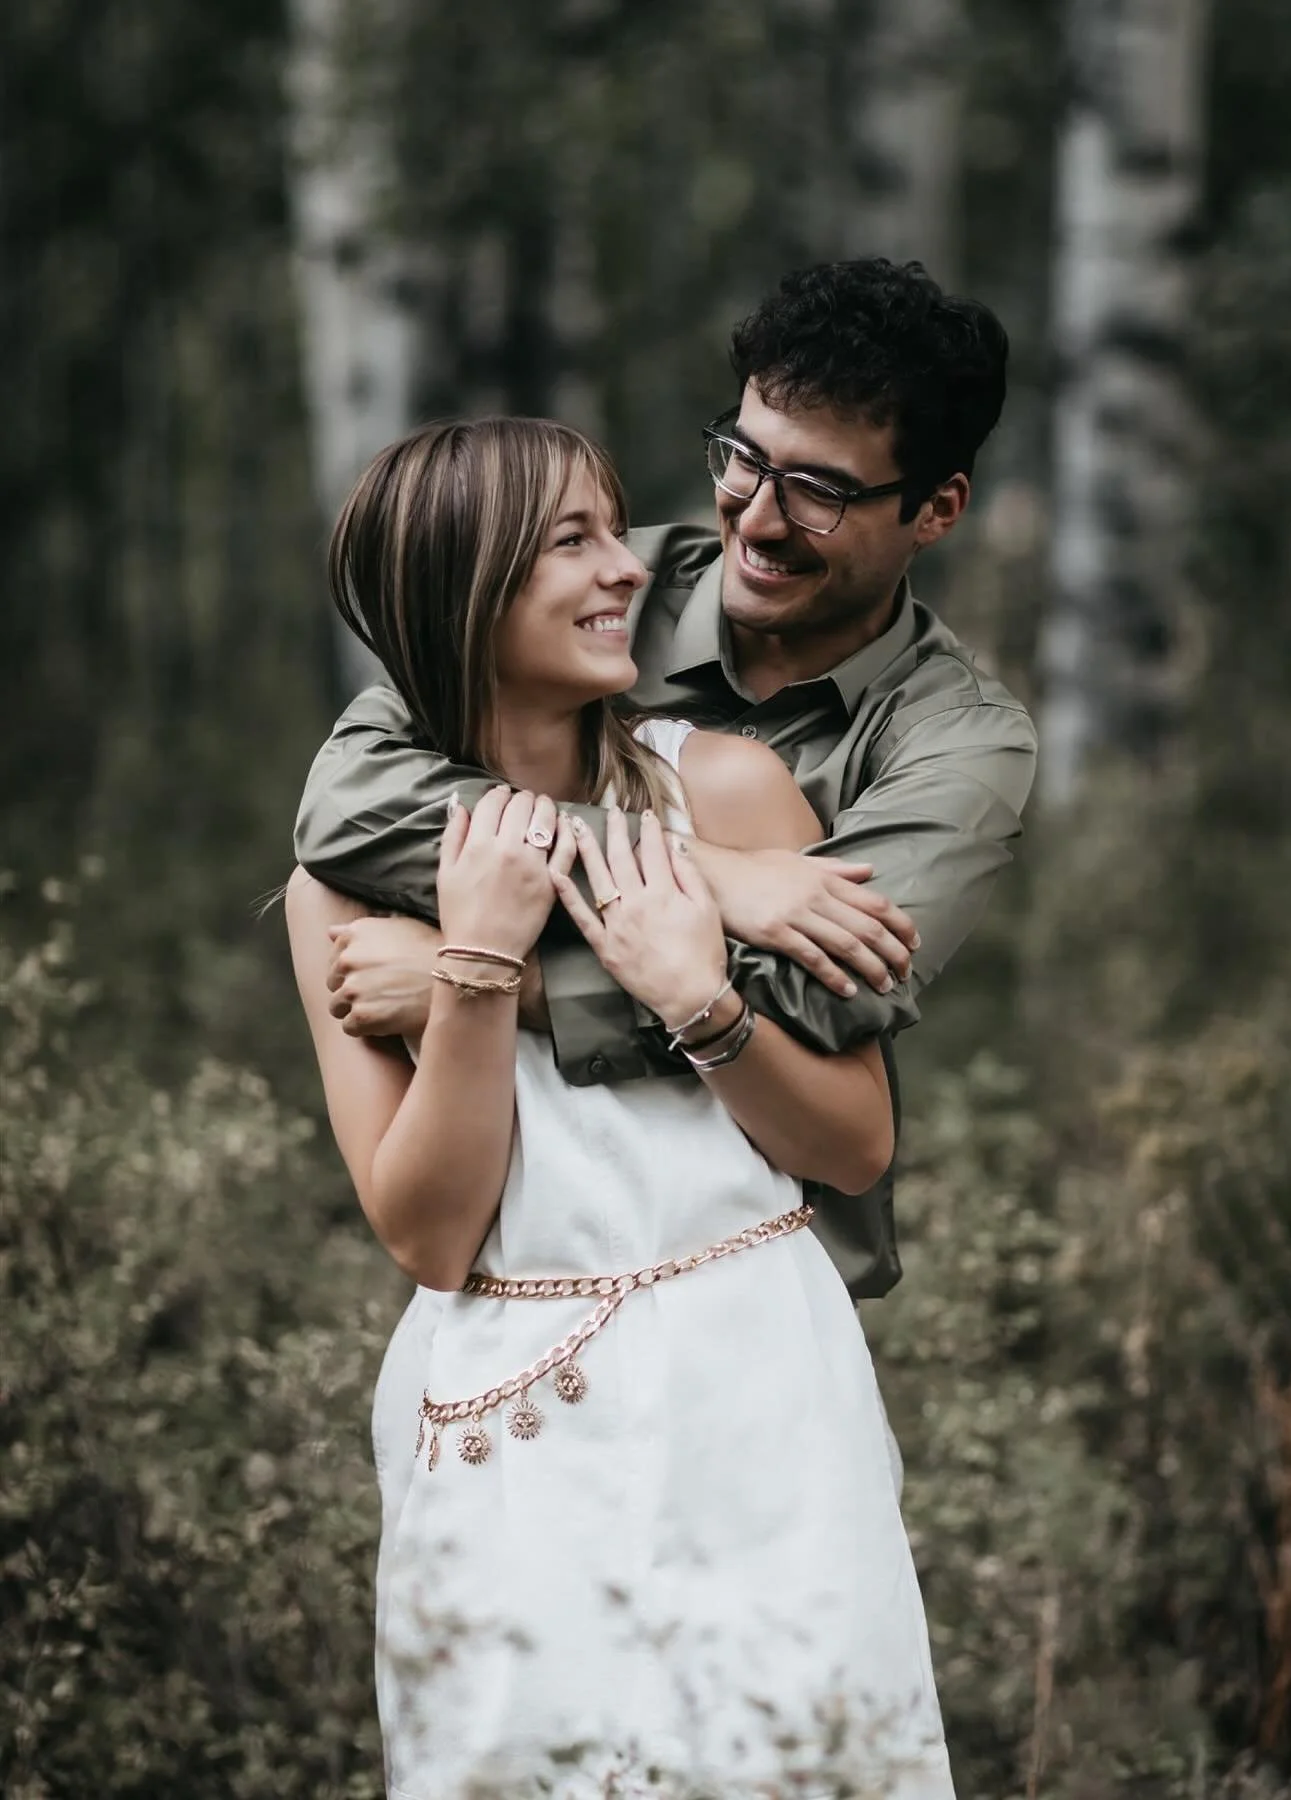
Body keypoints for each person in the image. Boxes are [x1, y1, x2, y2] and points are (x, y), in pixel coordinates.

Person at [287, 415, 956, 1796]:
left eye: (616, 530)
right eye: (572, 542)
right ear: (458, 593)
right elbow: (426, 1237)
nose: (625, 573)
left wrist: (700, 1005)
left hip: (761, 1384)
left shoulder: (729, 788)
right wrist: (473, 969)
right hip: (511, 1420)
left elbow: (854, 1140)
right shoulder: (340, 890)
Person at [296, 257, 1038, 1306]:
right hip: (526, 1272)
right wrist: (715, 877)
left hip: (759, 1255)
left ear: (938, 507)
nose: (758, 516)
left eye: (819, 490)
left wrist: (489, 978)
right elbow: (349, 799)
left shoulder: (957, 744)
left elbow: (820, 1010)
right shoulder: (594, 592)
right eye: (742, 457)